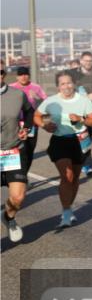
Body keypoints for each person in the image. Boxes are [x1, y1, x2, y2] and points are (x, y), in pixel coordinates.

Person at [34, 72, 92, 228]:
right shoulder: (51, 101)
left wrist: (81, 119)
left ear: (73, 84)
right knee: (67, 175)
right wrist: (45, 125)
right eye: (62, 84)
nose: (66, 86)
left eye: (69, 83)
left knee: (75, 178)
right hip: (59, 141)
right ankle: (65, 212)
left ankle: (68, 208)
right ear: (58, 86)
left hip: (79, 141)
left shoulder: (83, 101)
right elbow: (37, 115)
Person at [2, 64, 35, 244]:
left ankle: (8, 217)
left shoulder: (17, 95)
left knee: (18, 197)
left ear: (4, 74)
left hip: (13, 151)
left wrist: (26, 128)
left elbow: (30, 111)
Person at [11, 66, 46, 174]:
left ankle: (24, 174)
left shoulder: (36, 87)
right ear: (17, 77)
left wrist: (37, 98)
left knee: (29, 150)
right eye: (21, 75)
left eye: (26, 74)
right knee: (18, 150)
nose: (23, 77)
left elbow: (47, 103)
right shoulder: (11, 87)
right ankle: (16, 175)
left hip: (31, 122)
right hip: (15, 123)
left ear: (29, 75)